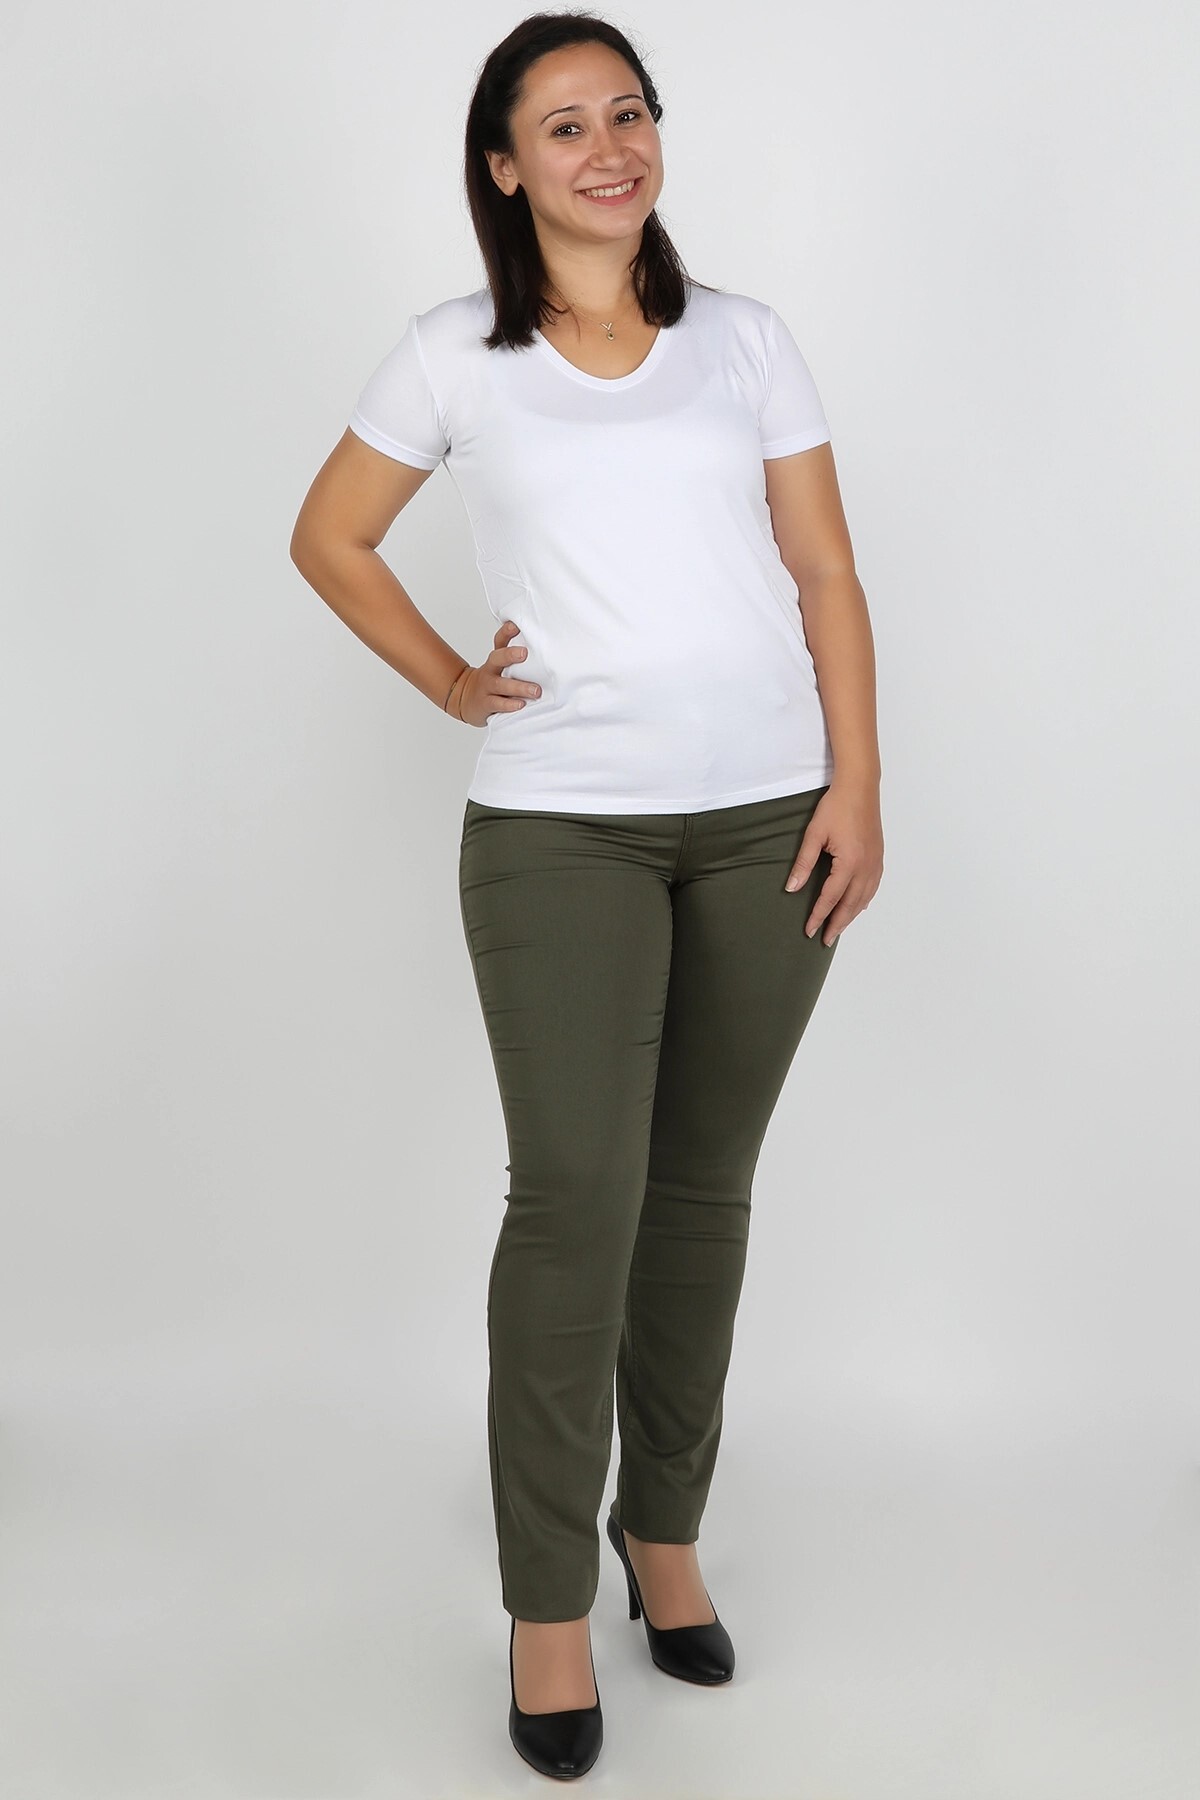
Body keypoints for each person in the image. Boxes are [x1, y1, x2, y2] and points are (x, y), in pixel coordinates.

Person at [290, 11, 884, 1782]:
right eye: (564, 125)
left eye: (628, 112)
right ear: (504, 166)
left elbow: (825, 569)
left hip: (770, 821)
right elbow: (330, 535)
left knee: (699, 1195)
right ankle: (547, 1602)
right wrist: (449, 681)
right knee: (575, 1203)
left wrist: (859, 784)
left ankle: (663, 1532)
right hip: (562, 830)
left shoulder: (745, 342)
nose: (608, 146)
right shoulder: (454, 356)